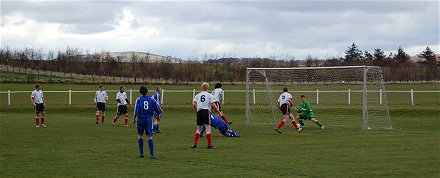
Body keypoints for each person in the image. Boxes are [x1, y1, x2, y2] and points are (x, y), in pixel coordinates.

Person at [132, 86, 162, 158]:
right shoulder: (151, 99)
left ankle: (141, 153)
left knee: (140, 135)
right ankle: (152, 154)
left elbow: (136, 110)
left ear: (140, 92)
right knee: (149, 136)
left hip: (140, 119)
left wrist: (134, 119)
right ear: (147, 92)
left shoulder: (138, 99)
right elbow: (158, 109)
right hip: (148, 119)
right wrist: (158, 115)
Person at [190, 82, 222, 149]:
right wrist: (218, 111)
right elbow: (213, 104)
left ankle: (194, 144)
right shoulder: (209, 95)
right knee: (208, 128)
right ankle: (209, 145)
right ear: (208, 88)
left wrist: (196, 111)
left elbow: (193, 104)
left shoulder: (197, 95)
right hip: (206, 112)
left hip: (199, 112)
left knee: (198, 128)